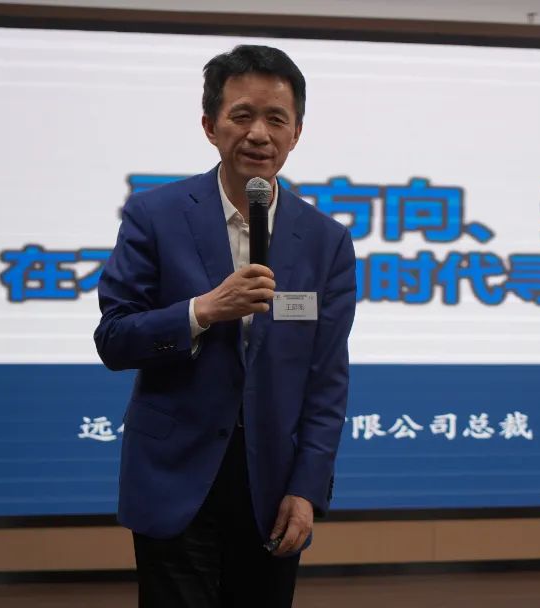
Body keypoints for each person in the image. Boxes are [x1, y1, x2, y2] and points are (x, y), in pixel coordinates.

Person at [94, 45, 356, 607]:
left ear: (296, 133)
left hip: (271, 486)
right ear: (210, 126)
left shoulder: (326, 241)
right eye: (242, 116)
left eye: (276, 119)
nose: (259, 134)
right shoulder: (155, 215)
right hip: (174, 475)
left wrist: (307, 489)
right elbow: (114, 339)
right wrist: (202, 311)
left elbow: (326, 381)